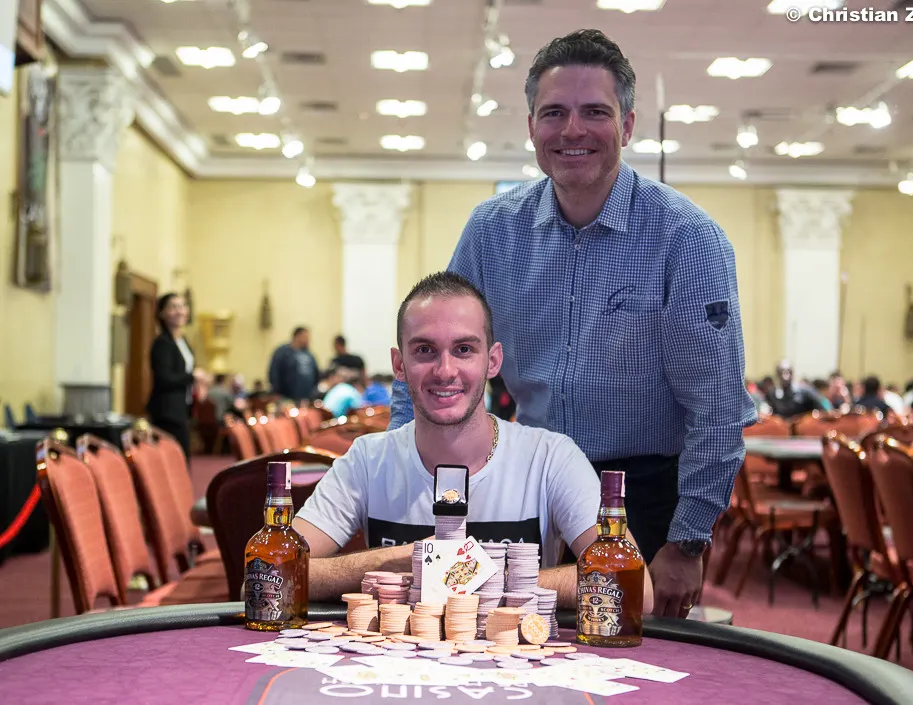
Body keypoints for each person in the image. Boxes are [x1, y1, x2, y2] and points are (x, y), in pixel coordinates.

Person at [387, 29, 756, 619]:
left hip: (640, 499)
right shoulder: (491, 232)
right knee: (499, 640)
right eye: (554, 112)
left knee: (626, 656)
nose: (573, 130)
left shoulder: (688, 241)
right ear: (532, 125)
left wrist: (687, 542)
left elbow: (715, 408)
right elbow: (433, 354)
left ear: (627, 126)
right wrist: (403, 478)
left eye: (595, 112)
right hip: (523, 487)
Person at [293, 272, 653, 611]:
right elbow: (273, 574)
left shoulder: (550, 457)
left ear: (492, 361)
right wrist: (396, 561)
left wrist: (471, 578)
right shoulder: (367, 460)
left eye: (464, 349)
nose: (445, 370)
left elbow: (636, 587)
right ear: (399, 365)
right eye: (424, 350)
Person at [147, 292, 204, 459]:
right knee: (176, 458)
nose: (179, 311)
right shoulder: (162, 343)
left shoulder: (182, 341)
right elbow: (164, 378)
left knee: (183, 456)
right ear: (162, 313)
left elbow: (183, 372)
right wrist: (193, 377)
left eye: (182, 306)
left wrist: (197, 384)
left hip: (182, 408)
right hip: (167, 411)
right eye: (173, 307)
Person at [267, 327, 320, 402]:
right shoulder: (283, 352)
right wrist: (276, 391)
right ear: (297, 336)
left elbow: (316, 373)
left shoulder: (309, 355)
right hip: (286, 396)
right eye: (305, 337)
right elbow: (274, 372)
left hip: (306, 397)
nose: (308, 340)